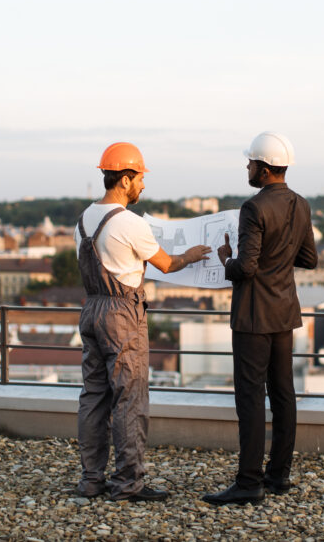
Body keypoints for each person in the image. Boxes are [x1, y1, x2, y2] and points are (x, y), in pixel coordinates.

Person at [75, 142, 210, 502]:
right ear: (124, 178)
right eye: (139, 178)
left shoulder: (83, 220)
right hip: (122, 315)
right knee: (129, 400)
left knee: (93, 397)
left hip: (91, 311)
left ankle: (91, 480)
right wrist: (193, 254)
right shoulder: (129, 223)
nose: (143, 186)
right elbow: (167, 265)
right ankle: (127, 483)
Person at [202, 131, 318, 506]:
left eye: (250, 163)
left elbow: (245, 269)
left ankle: (249, 481)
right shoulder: (301, 205)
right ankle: (278, 475)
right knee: (283, 394)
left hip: (253, 317)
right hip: (285, 313)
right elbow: (309, 259)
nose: (247, 168)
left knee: (250, 398)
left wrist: (224, 258)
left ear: (264, 169)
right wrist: (278, 260)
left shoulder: (253, 208)